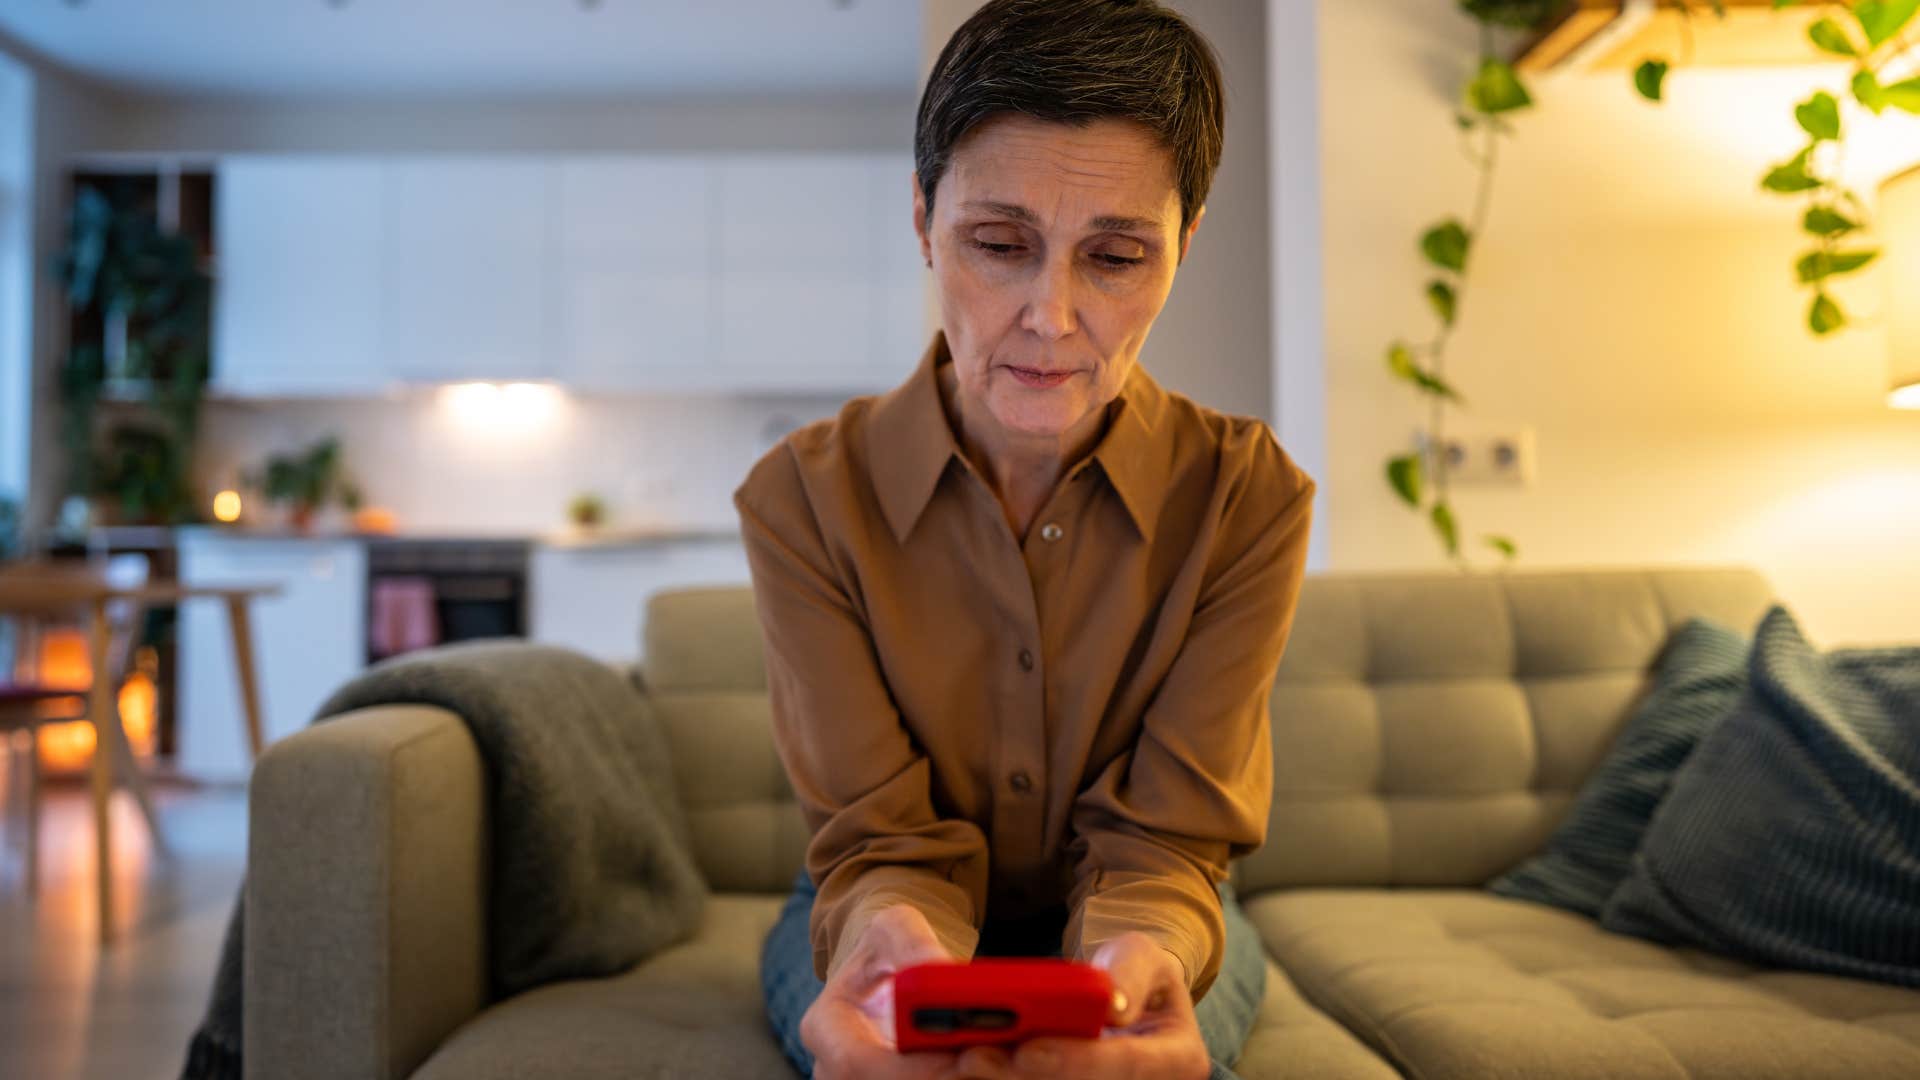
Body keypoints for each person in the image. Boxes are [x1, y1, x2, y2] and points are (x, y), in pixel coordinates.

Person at [734, 2, 1317, 1077]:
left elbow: (1166, 843)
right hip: (876, 915)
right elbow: (881, 845)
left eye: (1115, 256)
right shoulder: (802, 500)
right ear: (922, 221)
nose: (1050, 316)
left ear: (1185, 245)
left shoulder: (1248, 499)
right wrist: (888, 947)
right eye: (1000, 246)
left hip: (1149, 922)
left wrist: (1129, 962)